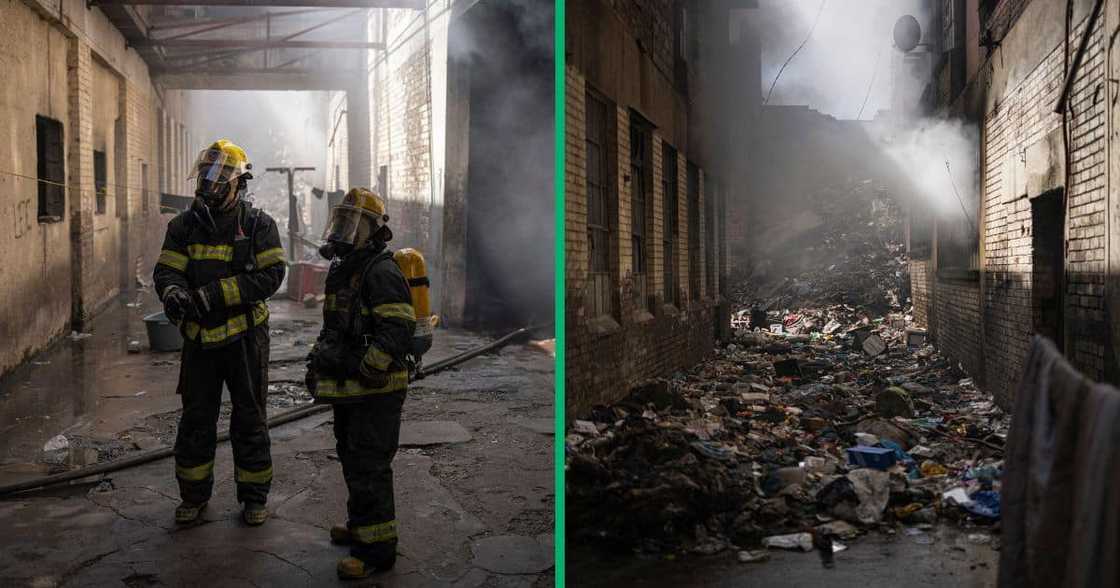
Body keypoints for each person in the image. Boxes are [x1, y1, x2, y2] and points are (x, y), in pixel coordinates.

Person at [153, 139, 285, 526]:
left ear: (238, 185)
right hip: (198, 342)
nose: (208, 189)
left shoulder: (259, 225)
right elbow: (167, 270)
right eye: (205, 181)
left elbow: (272, 275)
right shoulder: (182, 226)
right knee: (196, 421)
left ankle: (254, 498)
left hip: (245, 340)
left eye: (218, 182)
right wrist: (172, 292)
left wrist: (211, 295)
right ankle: (193, 496)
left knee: (250, 419)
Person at [305, 187, 415, 580]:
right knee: (353, 460)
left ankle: (376, 551)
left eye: (353, 223)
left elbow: (399, 326)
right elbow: (335, 329)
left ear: (374, 231)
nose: (343, 230)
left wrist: (372, 364)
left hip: (377, 392)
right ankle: (360, 527)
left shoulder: (381, 271)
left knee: (370, 466)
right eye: (341, 221)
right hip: (354, 392)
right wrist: (318, 362)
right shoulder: (344, 270)